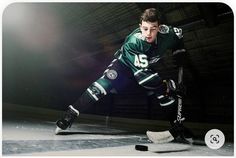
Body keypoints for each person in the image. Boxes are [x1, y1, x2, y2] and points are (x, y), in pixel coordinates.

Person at [55, 8, 187, 136]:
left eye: (153, 29)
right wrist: (168, 85)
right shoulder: (134, 42)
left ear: (159, 27)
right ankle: (69, 116)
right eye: (145, 28)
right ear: (140, 26)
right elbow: (144, 78)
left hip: (144, 67)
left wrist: (179, 54)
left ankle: (177, 126)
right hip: (123, 66)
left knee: (164, 96)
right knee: (100, 87)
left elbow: (178, 40)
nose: (148, 33)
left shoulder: (171, 33)